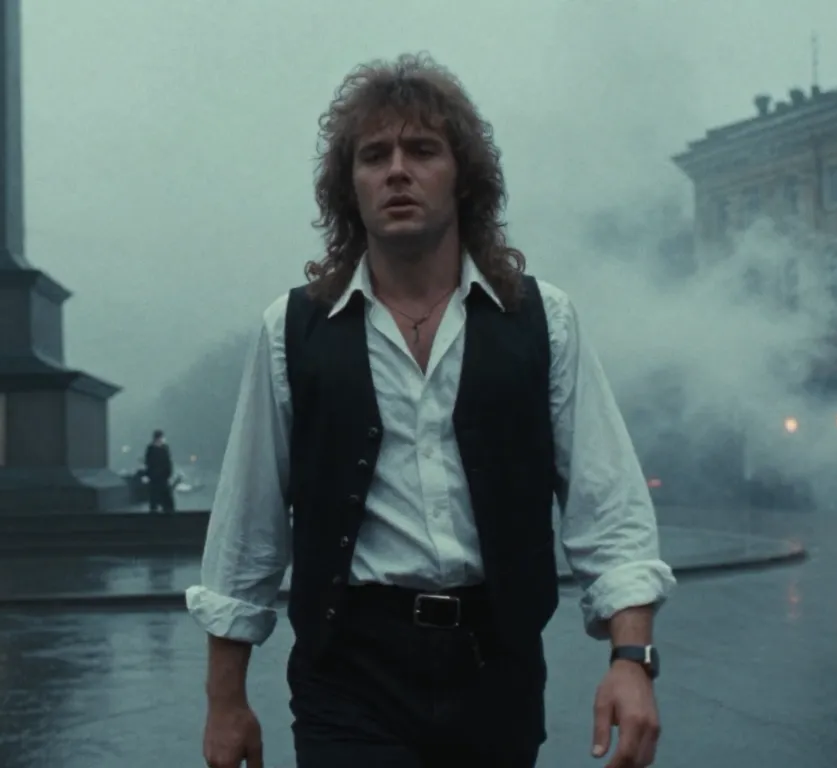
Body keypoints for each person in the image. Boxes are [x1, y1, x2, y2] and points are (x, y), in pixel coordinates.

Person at [187, 53, 675, 768]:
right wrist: (225, 700)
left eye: (421, 150)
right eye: (373, 155)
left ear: (463, 176)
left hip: (497, 671)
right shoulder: (292, 330)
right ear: (349, 186)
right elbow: (248, 523)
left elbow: (610, 508)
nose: (397, 171)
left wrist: (632, 660)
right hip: (349, 676)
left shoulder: (544, 321)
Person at [145, 430, 176, 513]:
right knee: (158, 501)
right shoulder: (156, 449)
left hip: (160, 479)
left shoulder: (161, 449)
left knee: (164, 502)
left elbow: (167, 463)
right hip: (157, 479)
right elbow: (150, 464)